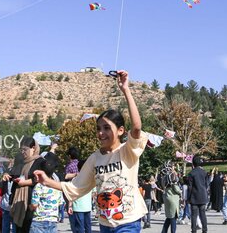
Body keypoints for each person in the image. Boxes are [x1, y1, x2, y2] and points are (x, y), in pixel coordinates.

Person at [33, 70, 149, 233]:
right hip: (105, 223)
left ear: (121, 130)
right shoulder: (94, 158)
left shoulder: (127, 151)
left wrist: (126, 90)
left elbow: (136, 127)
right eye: (99, 128)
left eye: (107, 128)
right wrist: (47, 181)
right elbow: (76, 186)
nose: (101, 133)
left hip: (128, 222)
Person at [4, 137, 46, 233]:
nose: (23, 152)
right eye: (21, 149)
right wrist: (6, 175)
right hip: (19, 200)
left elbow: (42, 179)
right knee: (19, 228)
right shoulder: (22, 162)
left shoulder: (40, 162)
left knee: (28, 227)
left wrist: (25, 183)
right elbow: (12, 173)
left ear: (34, 148)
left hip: (31, 201)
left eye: (25, 149)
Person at [29, 159, 63, 233]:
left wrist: (30, 207)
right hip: (53, 220)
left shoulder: (39, 186)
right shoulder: (56, 185)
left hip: (39, 221)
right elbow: (60, 203)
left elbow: (34, 204)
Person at [67, 160, 92, 233]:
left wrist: (70, 206)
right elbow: (94, 193)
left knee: (79, 227)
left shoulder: (75, 179)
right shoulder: (90, 178)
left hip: (78, 207)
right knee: (88, 227)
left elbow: (71, 193)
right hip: (87, 207)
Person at [187, 156, 208, 233]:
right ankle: (205, 230)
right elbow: (206, 185)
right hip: (203, 195)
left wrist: (188, 197)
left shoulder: (191, 173)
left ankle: (194, 230)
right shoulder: (204, 172)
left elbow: (190, 187)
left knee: (194, 215)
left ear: (193, 163)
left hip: (194, 196)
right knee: (203, 214)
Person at [160, 168, 181, 233]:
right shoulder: (171, 177)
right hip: (173, 199)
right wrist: (181, 191)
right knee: (173, 218)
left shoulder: (164, 178)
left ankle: (164, 231)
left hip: (167, 197)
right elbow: (177, 190)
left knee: (169, 217)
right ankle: (173, 231)